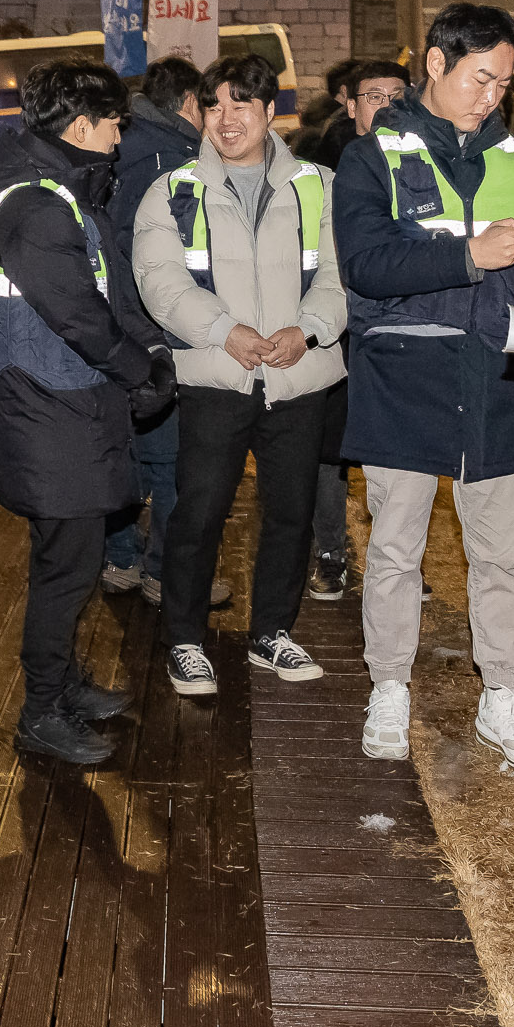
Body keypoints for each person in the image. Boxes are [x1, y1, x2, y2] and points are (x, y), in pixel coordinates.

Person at [335, 3, 514, 773]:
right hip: (404, 375)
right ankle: (389, 685)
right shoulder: (373, 157)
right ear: (435, 63)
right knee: (397, 549)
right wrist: (472, 253)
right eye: (482, 77)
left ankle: (502, 691)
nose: (494, 94)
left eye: (504, 81)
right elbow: (367, 266)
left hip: (496, 376)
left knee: (500, 555)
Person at [0, 58, 174, 768]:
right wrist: (138, 368)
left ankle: (60, 685)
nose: (119, 140)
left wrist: (139, 358)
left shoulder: (52, 192)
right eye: (116, 124)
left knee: (73, 563)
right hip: (48, 415)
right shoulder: (34, 206)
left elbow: (101, 294)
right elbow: (78, 316)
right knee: (66, 569)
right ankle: (41, 710)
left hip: (64, 410)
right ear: (83, 125)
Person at [130, 53, 346, 696]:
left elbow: (342, 275)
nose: (226, 120)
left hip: (298, 376)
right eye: (214, 105)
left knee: (291, 512)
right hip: (214, 378)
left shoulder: (319, 186)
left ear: (269, 111)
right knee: (198, 513)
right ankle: (186, 640)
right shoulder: (173, 190)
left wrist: (304, 330)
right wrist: (226, 332)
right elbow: (159, 281)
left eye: (241, 105)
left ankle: (271, 633)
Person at [294, 56, 405, 603]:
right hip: (331, 323)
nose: (387, 105)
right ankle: (331, 553)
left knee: (395, 449)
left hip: (395, 324)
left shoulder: (422, 159)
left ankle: (398, 558)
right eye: (376, 95)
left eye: (397, 95)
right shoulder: (311, 165)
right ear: (350, 101)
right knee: (328, 450)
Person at [101, 55, 208, 608]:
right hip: (163, 328)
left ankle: (119, 558)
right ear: (189, 104)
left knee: (126, 450)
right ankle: (164, 572)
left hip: (114, 329)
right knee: (171, 461)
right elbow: (186, 257)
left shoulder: (118, 143)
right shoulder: (176, 159)